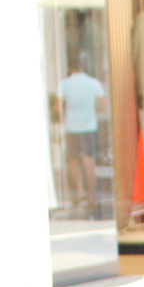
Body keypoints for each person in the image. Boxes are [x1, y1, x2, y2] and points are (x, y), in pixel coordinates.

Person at [56, 56, 106, 217]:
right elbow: (102, 105)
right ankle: (91, 196)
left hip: (72, 127)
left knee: (73, 160)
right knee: (89, 160)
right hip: (89, 126)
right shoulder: (94, 84)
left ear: (70, 68)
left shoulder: (64, 85)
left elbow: (58, 107)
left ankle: (79, 191)